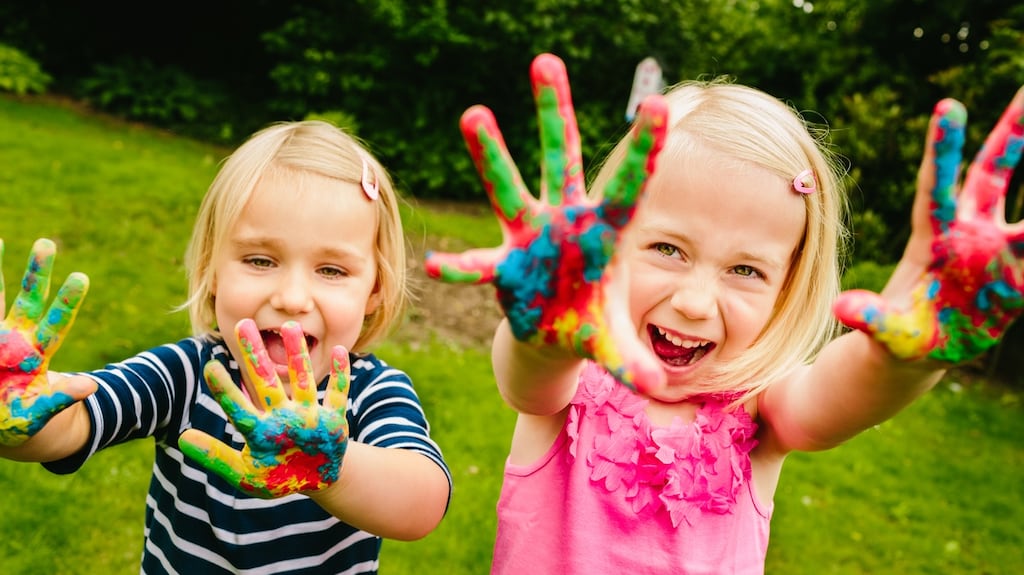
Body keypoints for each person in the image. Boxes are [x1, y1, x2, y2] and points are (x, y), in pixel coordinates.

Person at [425, 52, 1024, 573]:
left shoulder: (760, 414)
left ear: (787, 289)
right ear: (606, 244)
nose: (694, 301)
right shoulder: (567, 382)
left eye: (746, 270)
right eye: (668, 249)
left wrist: (904, 363)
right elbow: (527, 379)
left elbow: (838, 396)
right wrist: (545, 334)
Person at [0, 120, 452, 574]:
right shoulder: (185, 374)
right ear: (211, 269)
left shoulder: (372, 392)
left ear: (375, 290)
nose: (292, 298)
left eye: (331, 270)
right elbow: (74, 421)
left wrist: (330, 465)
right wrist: (18, 405)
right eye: (260, 260)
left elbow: (421, 504)